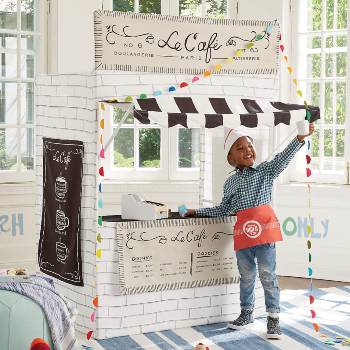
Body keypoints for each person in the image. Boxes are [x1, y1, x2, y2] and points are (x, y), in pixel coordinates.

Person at [185, 123, 315, 339]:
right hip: (243, 236)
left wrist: (300, 138)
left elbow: (282, 159)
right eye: (240, 148)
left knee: (267, 275)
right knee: (246, 277)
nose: (247, 150)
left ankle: (273, 318)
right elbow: (223, 209)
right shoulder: (230, 183)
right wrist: (195, 212)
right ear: (231, 159)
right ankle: (246, 314)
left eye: (249, 146)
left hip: (265, 234)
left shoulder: (265, 171)